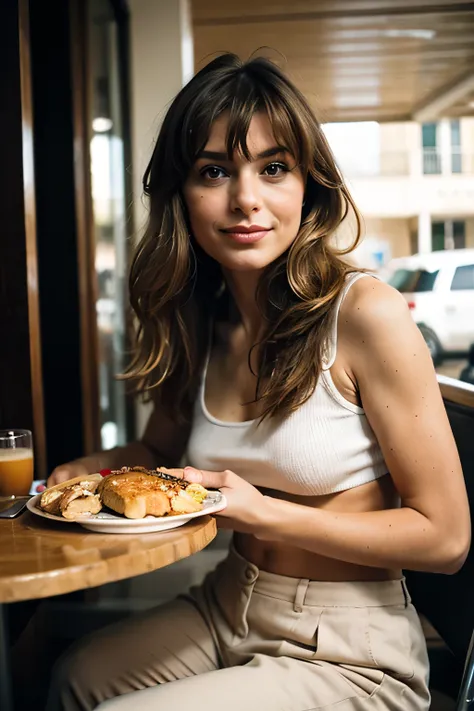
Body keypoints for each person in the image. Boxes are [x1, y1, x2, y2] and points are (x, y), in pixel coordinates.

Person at [46, 54, 470, 711]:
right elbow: (158, 456)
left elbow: (446, 539)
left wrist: (260, 510)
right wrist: (85, 473)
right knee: (74, 676)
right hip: (228, 600)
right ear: (180, 195)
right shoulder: (202, 318)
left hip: (350, 646)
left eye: (274, 168)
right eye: (214, 170)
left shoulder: (365, 314)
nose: (246, 199)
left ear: (309, 185)